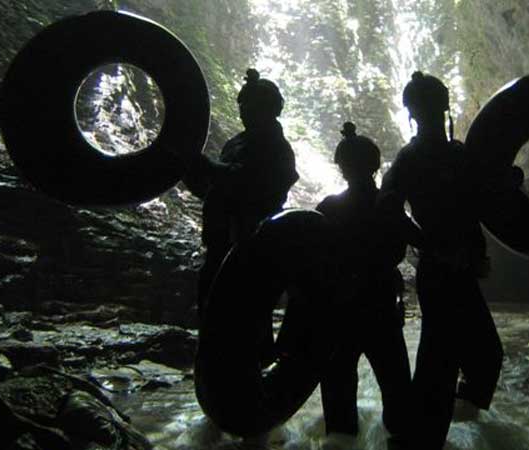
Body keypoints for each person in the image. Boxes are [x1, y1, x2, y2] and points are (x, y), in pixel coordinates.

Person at [377, 71, 505, 448]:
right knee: (449, 361)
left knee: (465, 358)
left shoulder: (450, 155)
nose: (433, 115)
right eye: (429, 108)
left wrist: (505, 186)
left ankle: (422, 431)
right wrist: (429, 244)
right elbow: (387, 207)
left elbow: (481, 199)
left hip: (455, 269)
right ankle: (421, 437)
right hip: (439, 271)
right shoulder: (416, 157)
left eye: (435, 108)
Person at [317, 122, 412, 449]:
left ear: (341, 167)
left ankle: (341, 441)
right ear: (374, 166)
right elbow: (402, 247)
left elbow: (313, 263)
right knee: (397, 385)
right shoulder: (388, 207)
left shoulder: (327, 209)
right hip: (381, 302)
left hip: (339, 307)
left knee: (338, 385)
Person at [187, 68, 299, 321]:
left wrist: (208, 167)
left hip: (251, 247)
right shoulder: (235, 143)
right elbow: (214, 189)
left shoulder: (277, 149)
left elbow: (249, 183)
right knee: (213, 317)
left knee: (247, 323)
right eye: (243, 104)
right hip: (219, 243)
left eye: (251, 104)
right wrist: (193, 172)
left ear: (269, 109)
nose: (244, 110)